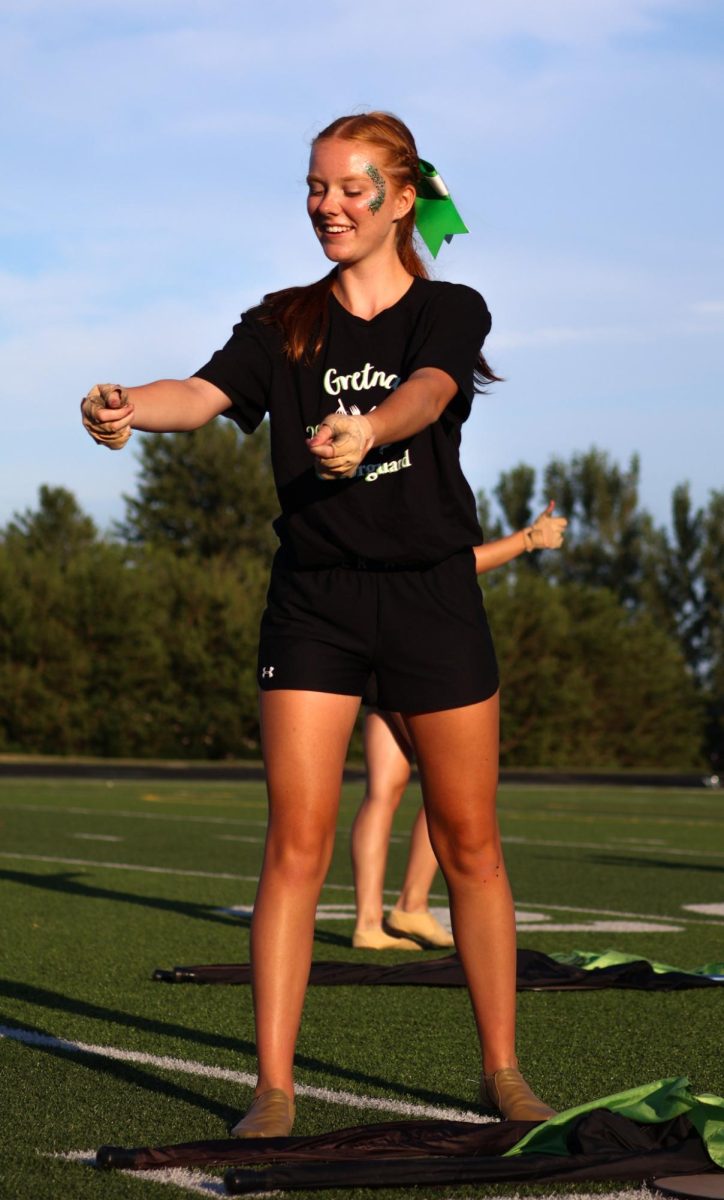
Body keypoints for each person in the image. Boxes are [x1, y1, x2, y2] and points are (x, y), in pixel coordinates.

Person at [81, 110, 557, 1135]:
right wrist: (128, 403)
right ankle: (273, 1088)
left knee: (470, 844)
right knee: (295, 843)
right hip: (315, 602)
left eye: (347, 189)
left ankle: (502, 1070)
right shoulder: (285, 323)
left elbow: (430, 391)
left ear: (396, 199)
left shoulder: (449, 309)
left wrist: (371, 426)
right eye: (313, 187)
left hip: (431, 596)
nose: (326, 206)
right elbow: (202, 393)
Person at [351, 509, 567, 951]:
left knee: (384, 789)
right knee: (452, 782)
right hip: (414, 637)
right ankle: (408, 904)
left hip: (368, 630)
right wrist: (527, 539)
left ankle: (371, 921)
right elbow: (457, 564)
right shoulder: (416, 484)